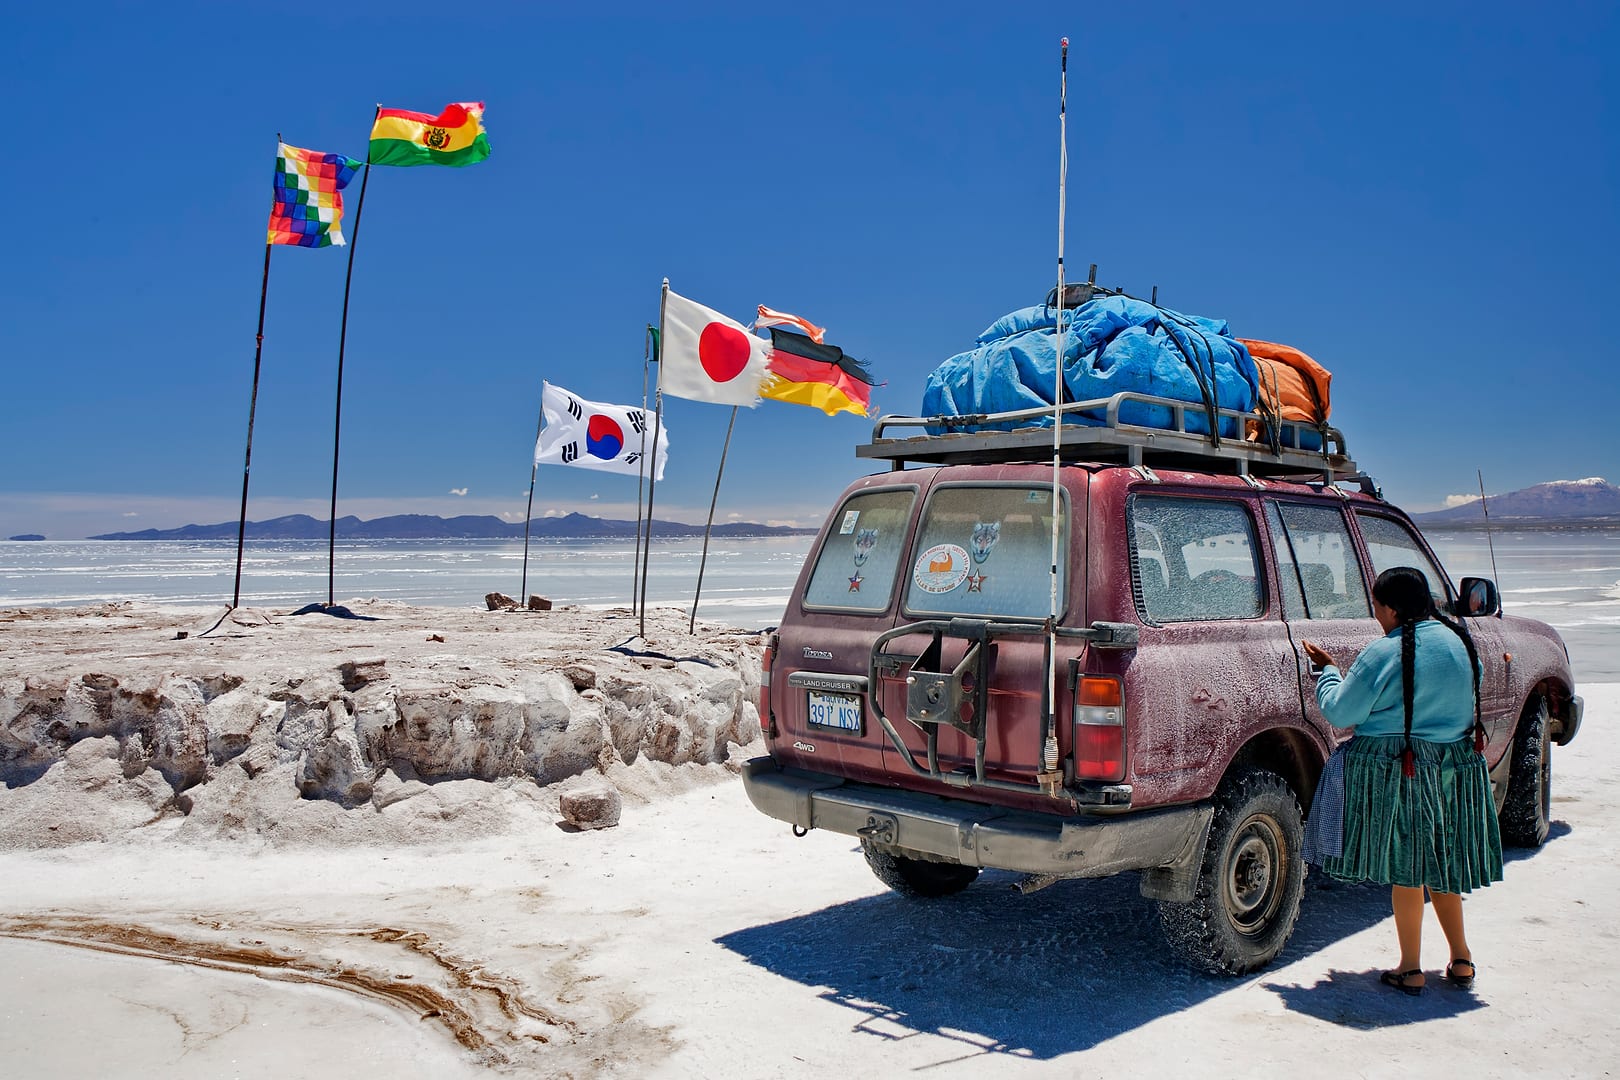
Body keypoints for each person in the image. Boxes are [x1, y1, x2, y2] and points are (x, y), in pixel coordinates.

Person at [1301, 566, 1503, 996]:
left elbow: (1340, 712)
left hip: (1401, 767)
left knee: (1408, 869)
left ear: (1391, 608)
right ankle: (1461, 958)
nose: (1376, 616)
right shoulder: (1461, 644)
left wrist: (1330, 671)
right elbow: (1473, 688)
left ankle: (1410, 967)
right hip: (1455, 767)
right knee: (1442, 865)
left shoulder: (1384, 651)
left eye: (1376, 607)